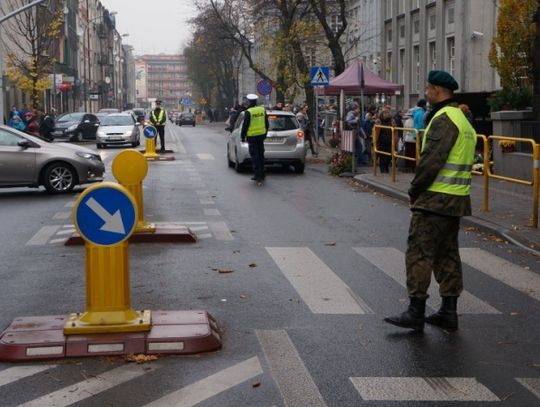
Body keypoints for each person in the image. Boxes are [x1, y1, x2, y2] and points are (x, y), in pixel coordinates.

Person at [384, 70, 476, 332]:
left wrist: (414, 189)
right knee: (447, 254)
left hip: (435, 199)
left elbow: (431, 161)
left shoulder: (445, 119)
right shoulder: (462, 119)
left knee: (419, 253)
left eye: (427, 88)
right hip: (455, 199)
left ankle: (416, 311)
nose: (425, 92)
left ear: (437, 89)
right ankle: (448, 312)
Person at [240, 93, 269, 182]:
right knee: (261, 155)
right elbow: (266, 123)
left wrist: (242, 136)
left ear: (249, 102)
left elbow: (245, 125)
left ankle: (257, 175)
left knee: (255, 156)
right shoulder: (262, 110)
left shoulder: (249, 112)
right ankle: (263, 173)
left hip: (252, 137)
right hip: (261, 136)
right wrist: (265, 133)